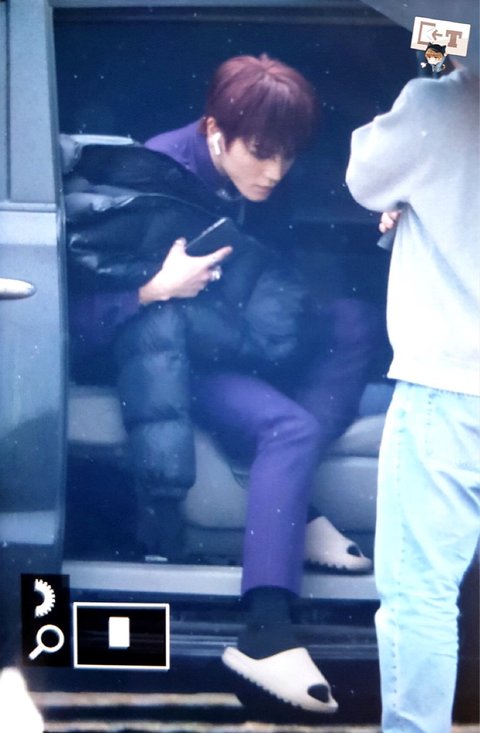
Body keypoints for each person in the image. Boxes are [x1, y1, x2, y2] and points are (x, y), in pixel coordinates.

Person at [66, 54, 379, 713]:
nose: (275, 171)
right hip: (172, 362)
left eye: (288, 156)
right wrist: (154, 289)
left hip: (242, 342)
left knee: (352, 320)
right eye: (262, 153)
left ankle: (292, 503)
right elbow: (79, 322)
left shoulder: (264, 181)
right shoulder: (156, 179)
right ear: (214, 130)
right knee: (288, 426)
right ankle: (265, 630)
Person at [346, 58, 480, 732]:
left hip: (450, 384)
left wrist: (442, 71)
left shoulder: (443, 103)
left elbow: (365, 174)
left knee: (420, 592)